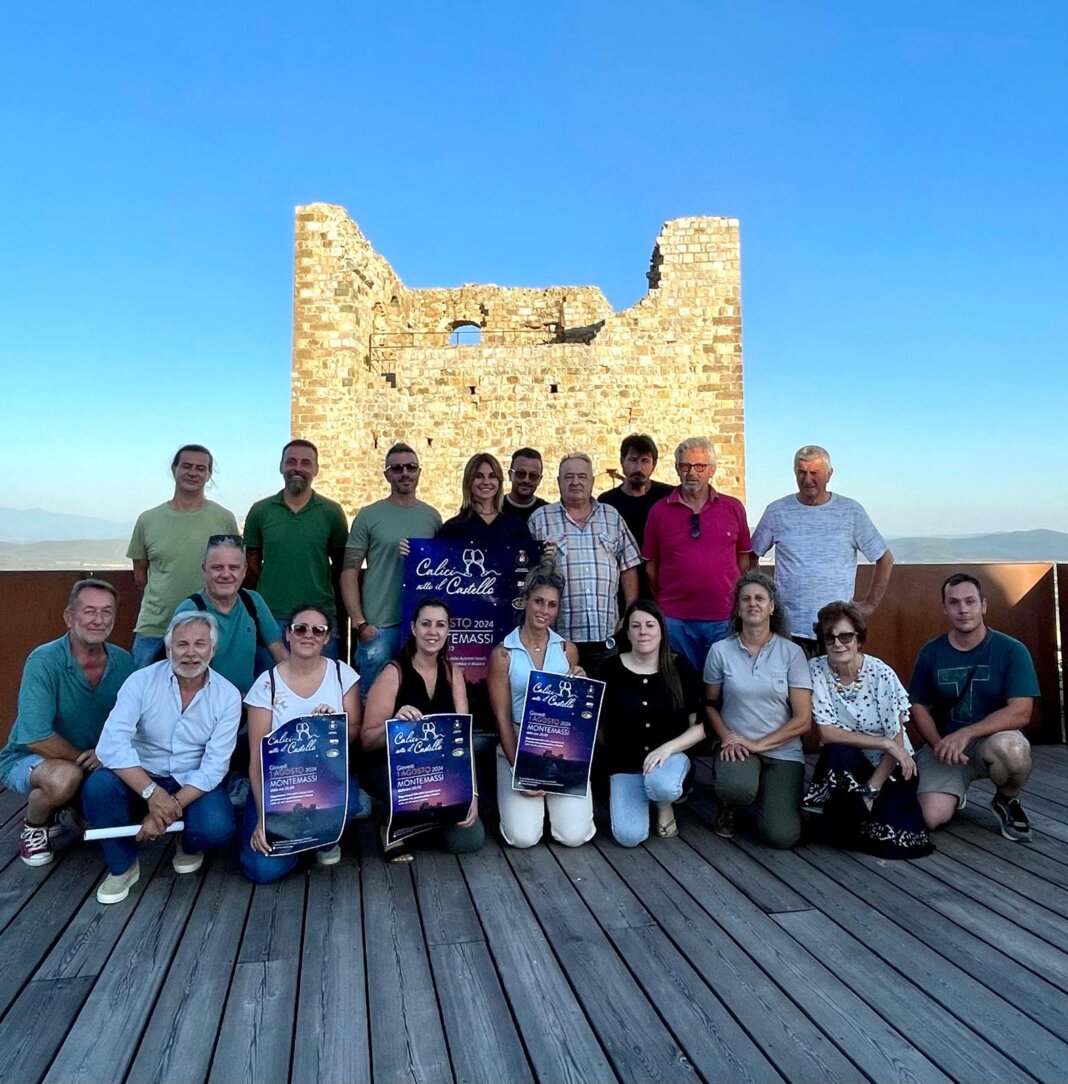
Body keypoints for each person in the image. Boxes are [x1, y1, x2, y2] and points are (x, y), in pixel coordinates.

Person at [83, 612, 240, 904]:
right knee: (98, 787)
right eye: (181, 644)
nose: (190, 653)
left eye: (200, 644)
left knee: (217, 827)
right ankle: (123, 866)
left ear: (213, 650)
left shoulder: (228, 696)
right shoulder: (140, 681)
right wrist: (152, 793)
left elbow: (215, 766)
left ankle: (188, 843)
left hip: (190, 781)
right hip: (142, 775)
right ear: (168, 649)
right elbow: (110, 745)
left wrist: (171, 806)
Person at [0, 579, 135, 867]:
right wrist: (89, 762)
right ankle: (36, 826)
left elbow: (136, 721)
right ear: (69, 616)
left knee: (110, 821)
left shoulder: (124, 662)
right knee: (64, 780)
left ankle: (73, 804)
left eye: (107, 612)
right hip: (30, 758)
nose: (98, 620)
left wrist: (105, 756)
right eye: (89, 611)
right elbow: (36, 736)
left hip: (95, 759)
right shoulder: (44, 660)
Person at [241, 604, 372, 882]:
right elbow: (256, 757)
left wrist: (329, 727)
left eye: (318, 630)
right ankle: (303, 844)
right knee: (262, 870)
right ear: (288, 634)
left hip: (327, 781)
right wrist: (265, 818)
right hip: (280, 789)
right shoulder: (267, 684)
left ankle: (319, 840)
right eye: (300, 628)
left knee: (348, 806)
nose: (308, 634)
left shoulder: (342, 674)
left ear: (327, 638)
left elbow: (356, 731)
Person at [909, 573, 1039, 841]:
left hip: (990, 741)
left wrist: (966, 733)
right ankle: (955, 792)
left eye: (970, 601)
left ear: (984, 605)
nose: (963, 609)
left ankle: (1007, 800)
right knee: (931, 818)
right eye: (954, 603)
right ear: (945, 608)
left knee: (1014, 750)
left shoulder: (1012, 650)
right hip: (944, 746)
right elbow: (917, 705)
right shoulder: (931, 652)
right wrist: (937, 745)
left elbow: (1021, 711)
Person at [802, 601, 933, 859]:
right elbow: (827, 733)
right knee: (835, 751)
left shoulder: (881, 674)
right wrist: (883, 743)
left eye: (846, 636)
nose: (838, 643)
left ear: (859, 639)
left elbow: (896, 736)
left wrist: (872, 789)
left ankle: (856, 817)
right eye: (830, 637)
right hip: (849, 763)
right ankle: (845, 818)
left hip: (891, 766)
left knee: (893, 842)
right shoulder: (816, 670)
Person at [361, 597, 484, 860]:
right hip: (394, 769)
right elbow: (367, 741)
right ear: (414, 629)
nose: (433, 631)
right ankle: (391, 821)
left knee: (469, 840)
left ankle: (424, 820)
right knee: (414, 796)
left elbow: (462, 740)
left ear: (448, 631)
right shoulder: (394, 673)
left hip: (438, 769)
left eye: (440, 625)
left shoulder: (453, 673)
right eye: (426, 624)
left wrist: (470, 792)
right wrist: (395, 727)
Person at [488, 561, 594, 848]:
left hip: (562, 747)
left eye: (551, 605)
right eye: (538, 602)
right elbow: (501, 716)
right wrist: (520, 770)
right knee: (523, 838)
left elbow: (577, 713)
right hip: (519, 743)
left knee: (573, 837)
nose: (543, 611)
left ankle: (556, 811)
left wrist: (580, 681)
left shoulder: (567, 649)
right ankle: (531, 810)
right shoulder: (503, 653)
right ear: (525, 602)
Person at [704, 571, 812, 846]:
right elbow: (709, 705)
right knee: (737, 788)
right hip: (736, 745)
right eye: (746, 599)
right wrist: (726, 737)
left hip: (783, 750)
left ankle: (768, 793)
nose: (753, 603)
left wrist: (759, 745)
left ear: (772, 606)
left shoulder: (792, 653)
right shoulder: (720, 651)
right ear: (738, 608)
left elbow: (802, 721)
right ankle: (730, 804)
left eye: (760, 598)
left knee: (781, 836)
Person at [750, 445, 893, 654]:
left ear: (829, 475)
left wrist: (870, 604)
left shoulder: (850, 512)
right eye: (802, 472)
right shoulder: (777, 511)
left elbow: (885, 558)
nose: (807, 479)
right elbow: (752, 555)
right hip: (787, 630)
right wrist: (764, 598)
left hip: (836, 632)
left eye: (814, 473)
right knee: (790, 688)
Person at [599, 600, 705, 846]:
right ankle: (643, 796)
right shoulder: (610, 669)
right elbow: (593, 720)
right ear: (627, 633)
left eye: (649, 625)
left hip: (668, 761)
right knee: (629, 837)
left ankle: (664, 804)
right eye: (635, 626)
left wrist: (668, 748)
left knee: (662, 786)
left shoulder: (679, 667)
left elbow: (700, 727)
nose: (643, 632)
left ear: (661, 631)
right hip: (626, 764)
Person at [644, 437, 753, 671]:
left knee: (724, 686)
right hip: (675, 620)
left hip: (723, 617)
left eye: (700, 466)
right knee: (682, 688)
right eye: (685, 466)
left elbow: (743, 560)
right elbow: (651, 566)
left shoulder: (733, 508)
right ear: (677, 469)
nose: (692, 473)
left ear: (712, 470)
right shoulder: (659, 511)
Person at [341, 443, 442, 693]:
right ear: (387, 474)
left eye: (411, 467)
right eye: (397, 468)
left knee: (416, 696)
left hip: (419, 626)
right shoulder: (368, 515)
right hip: (379, 625)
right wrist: (360, 624)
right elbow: (349, 571)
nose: (404, 473)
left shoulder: (432, 517)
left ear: (419, 472)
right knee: (372, 697)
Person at [127, 444, 240, 668]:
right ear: (174, 469)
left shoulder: (224, 519)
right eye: (186, 466)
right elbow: (140, 572)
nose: (193, 472)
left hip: (209, 627)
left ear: (208, 475)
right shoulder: (148, 520)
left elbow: (233, 567)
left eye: (201, 468)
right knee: (145, 693)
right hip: (156, 626)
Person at [528, 453, 642, 672]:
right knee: (563, 701)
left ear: (592, 481)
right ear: (558, 482)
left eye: (582, 476)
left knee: (606, 701)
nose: (575, 482)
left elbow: (628, 567)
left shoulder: (612, 517)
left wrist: (629, 612)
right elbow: (528, 575)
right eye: (568, 476)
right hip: (558, 638)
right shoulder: (540, 519)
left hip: (605, 635)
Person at [244, 439, 350, 660]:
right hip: (270, 617)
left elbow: (341, 563)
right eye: (291, 462)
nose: (298, 468)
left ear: (316, 470)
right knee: (270, 687)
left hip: (319, 618)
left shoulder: (331, 512)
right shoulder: (260, 511)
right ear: (281, 466)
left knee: (321, 687)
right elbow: (251, 564)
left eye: (305, 463)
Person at [173, 535, 286, 697]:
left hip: (247, 707)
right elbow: (181, 676)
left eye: (233, 568)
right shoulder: (190, 611)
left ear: (244, 570)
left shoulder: (253, 602)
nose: (226, 574)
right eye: (217, 568)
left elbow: (281, 655)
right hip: (203, 709)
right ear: (204, 570)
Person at [598, 433, 673, 598]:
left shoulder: (669, 497)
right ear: (622, 462)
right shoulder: (607, 503)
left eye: (645, 461)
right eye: (633, 460)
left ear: (654, 464)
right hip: (620, 590)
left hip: (662, 589)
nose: (638, 468)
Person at [437, 452, 531, 544]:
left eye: (492, 476)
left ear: (499, 481)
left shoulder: (515, 525)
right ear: (468, 481)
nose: (486, 482)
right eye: (478, 476)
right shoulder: (453, 528)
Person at [501, 447, 548, 521]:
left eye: (533, 476)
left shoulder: (547, 513)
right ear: (510, 475)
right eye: (520, 473)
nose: (526, 480)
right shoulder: (494, 509)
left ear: (539, 480)